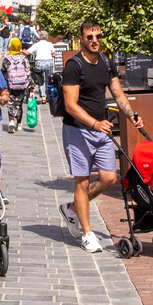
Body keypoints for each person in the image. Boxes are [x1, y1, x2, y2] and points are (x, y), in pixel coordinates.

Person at [58, 19, 142, 253]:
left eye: (98, 36)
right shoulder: (74, 66)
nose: (95, 41)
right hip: (78, 131)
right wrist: (94, 123)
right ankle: (87, 233)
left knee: (109, 178)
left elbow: (118, 93)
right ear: (81, 39)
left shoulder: (106, 62)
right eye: (90, 37)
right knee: (82, 182)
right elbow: (70, 105)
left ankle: (73, 208)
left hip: (100, 130)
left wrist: (131, 115)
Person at [1, 38, 32, 134]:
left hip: (10, 85)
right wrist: (31, 86)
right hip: (22, 85)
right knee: (19, 104)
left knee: (11, 103)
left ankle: (11, 121)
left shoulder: (7, 59)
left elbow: (3, 73)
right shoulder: (24, 59)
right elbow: (28, 72)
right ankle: (19, 123)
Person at [27, 31, 56, 103]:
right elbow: (54, 54)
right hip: (48, 62)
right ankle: (48, 96)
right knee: (48, 79)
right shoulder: (50, 44)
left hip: (39, 62)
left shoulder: (37, 45)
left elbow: (28, 52)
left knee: (40, 79)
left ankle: (43, 96)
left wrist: (21, 51)